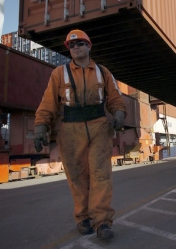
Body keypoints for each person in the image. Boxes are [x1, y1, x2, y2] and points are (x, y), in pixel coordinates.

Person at [33, 29, 127, 240]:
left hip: (99, 127)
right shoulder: (59, 73)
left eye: (80, 44)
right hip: (70, 129)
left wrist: (119, 114)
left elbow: (115, 99)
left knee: (100, 175)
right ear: (69, 50)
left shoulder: (103, 72)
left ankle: (102, 221)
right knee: (77, 177)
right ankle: (83, 218)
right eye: (72, 45)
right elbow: (48, 103)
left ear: (89, 46)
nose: (76, 48)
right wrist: (40, 128)